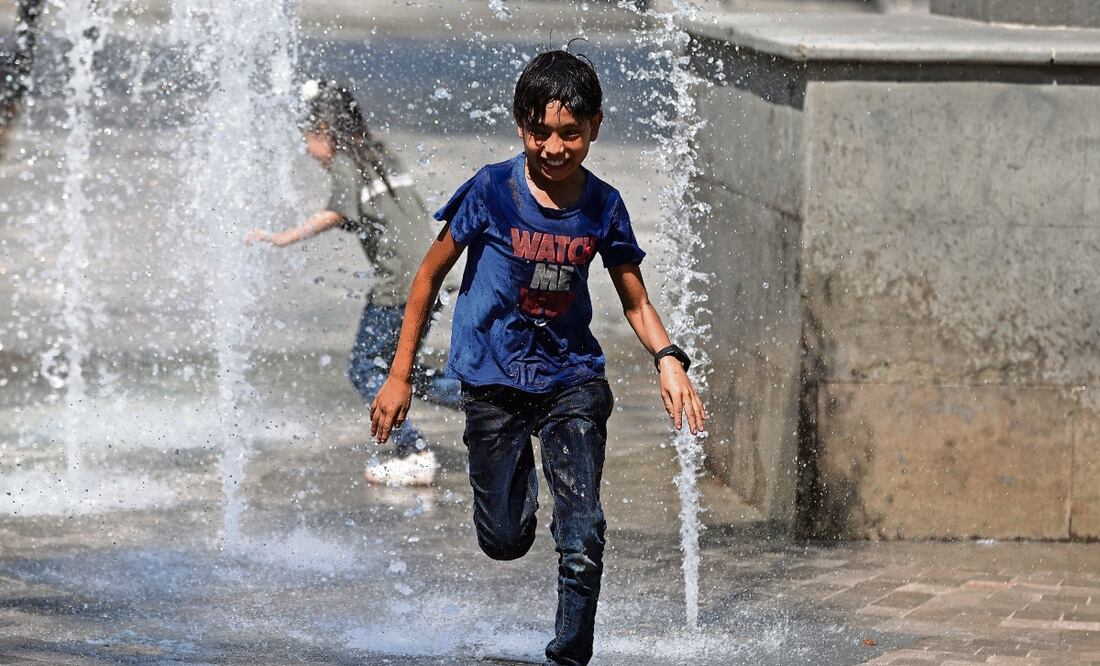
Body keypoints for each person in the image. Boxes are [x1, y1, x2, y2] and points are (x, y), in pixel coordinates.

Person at [369, 51, 706, 666]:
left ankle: (569, 655)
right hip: (492, 380)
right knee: (503, 539)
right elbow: (427, 275)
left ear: (595, 126)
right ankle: (520, 488)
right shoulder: (491, 191)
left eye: (570, 133)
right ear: (520, 125)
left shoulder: (604, 206)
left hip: (571, 378)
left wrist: (667, 356)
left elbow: (635, 299)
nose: (554, 147)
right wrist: (399, 377)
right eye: (540, 132)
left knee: (583, 532)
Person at [247, 79, 460, 487]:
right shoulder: (379, 154)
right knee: (401, 370)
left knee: (365, 368)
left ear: (325, 131)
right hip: (430, 273)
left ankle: (414, 451)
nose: (307, 150)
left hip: (399, 284)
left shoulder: (346, 162)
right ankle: (487, 402)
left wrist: (283, 237)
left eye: (308, 138)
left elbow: (336, 212)